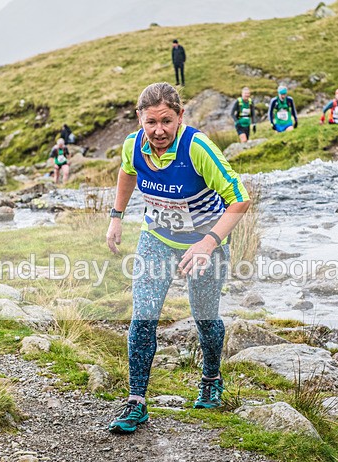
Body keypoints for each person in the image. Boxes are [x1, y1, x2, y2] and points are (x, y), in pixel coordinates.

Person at [106, 82, 251, 434]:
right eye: (151, 122)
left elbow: (240, 198)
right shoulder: (133, 146)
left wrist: (208, 242)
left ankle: (211, 378)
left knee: (204, 317)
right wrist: (116, 216)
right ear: (139, 119)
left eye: (166, 121)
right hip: (156, 239)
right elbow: (127, 171)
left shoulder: (197, 147)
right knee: (143, 315)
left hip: (204, 244)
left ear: (180, 116)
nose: (158, 130)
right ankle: (136, 402)